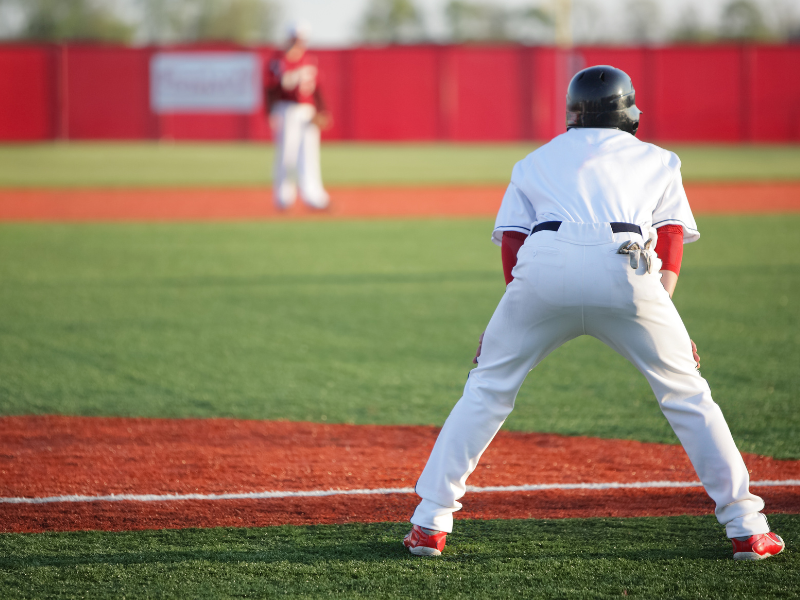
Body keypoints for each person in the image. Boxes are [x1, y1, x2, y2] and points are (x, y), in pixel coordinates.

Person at [402, 65, 785, 561]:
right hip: (625, 265)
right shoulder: (660, 159)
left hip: (543, 266)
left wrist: (512, 321)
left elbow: (515, 245)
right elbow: (669, 241)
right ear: (627, 114)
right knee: (688, 394)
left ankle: (430, 522)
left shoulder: (533, 161)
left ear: (572, 113)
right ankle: (747, 528)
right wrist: (664, 317)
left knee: (487, 389)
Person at [265, 22, 331, 210]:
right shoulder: (279, 60)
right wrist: (270, 111)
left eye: (301, 39)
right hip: (286, 109)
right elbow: (270, 88)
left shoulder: (309, 60)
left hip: (307, 110)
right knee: (287, 155)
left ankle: (314, 196)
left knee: (309, 155)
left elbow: (317, 87)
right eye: (295, 39)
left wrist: (323, 109)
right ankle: (283, 197)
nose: (298, 43)